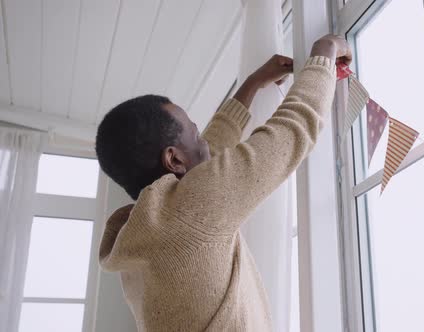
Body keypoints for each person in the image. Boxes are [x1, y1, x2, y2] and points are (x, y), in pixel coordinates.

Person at [95, 34, 352, 331]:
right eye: (194, 132)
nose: (203, 141)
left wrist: (253, 83)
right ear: (174, 160)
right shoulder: (191, 209)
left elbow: (209, 153)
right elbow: (290, 131)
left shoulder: (146, 226)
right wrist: (324, 54)